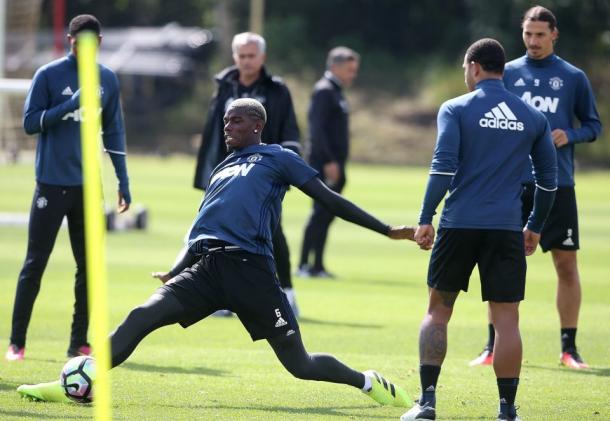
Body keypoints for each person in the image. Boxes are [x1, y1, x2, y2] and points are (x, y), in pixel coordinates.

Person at [17, 98, 414, 408]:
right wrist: (176, 270)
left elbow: (329, 199)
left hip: (251, 271)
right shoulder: (222, 167)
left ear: (256, 125)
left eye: (235, 121)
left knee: (300, 365)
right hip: (207, 269)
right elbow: (201, 227)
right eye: (225, 121)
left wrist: (387, 230)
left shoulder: (278, 158)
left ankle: (368, 382)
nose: (227, 126)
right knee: (141, 316)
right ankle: (79, 381)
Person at [401, 39, 557, 421]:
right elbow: (549, 182)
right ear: (501, 68)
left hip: (458, 225)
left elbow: (443, 166)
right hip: (505, 228)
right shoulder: (532, 117)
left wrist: (425, 216)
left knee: (438, 311)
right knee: (507, 320)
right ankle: (507, 411)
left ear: (473, 66)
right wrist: (534, 226)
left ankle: (428, 403)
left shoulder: (455, 108)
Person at [469, 6, 602, 369]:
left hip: (557, 184)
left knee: (566, 265)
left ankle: (569, 349)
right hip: (511, 184)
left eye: (540, 34)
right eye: (528, 34)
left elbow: (593, 125)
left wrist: (570, 134)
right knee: (498, 263)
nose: (533, 41)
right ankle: (492, 346)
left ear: (554, 35)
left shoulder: (572, 77)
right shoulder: (507, 73)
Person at [5, 14, 131, 362]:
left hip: (89, 188)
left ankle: (78, 342)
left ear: (100, 43)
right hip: (51, 184)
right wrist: (71, 104)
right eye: (78, 43)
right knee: (35, 263)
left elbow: (115, 132)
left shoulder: (107, 79)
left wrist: (123, 179)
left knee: (89, 266)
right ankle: (17, 341)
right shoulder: (48, 75)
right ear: (70, 41)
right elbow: (31, 123)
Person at [193, 32, 301, 315]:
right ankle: (220, 297)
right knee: (217, 232)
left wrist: (289, 163)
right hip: (227, 171)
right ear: (234, 57)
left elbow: (290, 129)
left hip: (265, 173)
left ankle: (286, 292)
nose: (246, 61)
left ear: (262, 58)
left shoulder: (277, 89)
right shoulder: (224, 85)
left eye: (251, 56)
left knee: (271, 232)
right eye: (241, 56)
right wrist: (208, 170)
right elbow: (213, 132)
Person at [298, 46, 360, 278]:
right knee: (318, 213)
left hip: (336, 164)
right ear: (335, 67)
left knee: (327, 214)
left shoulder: (336, 91)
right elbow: (317, 130)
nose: (353, 74)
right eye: (349, 69)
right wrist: (329, 161)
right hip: (324, 164)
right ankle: (304, 264)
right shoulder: (324, 91)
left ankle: (318, 265)